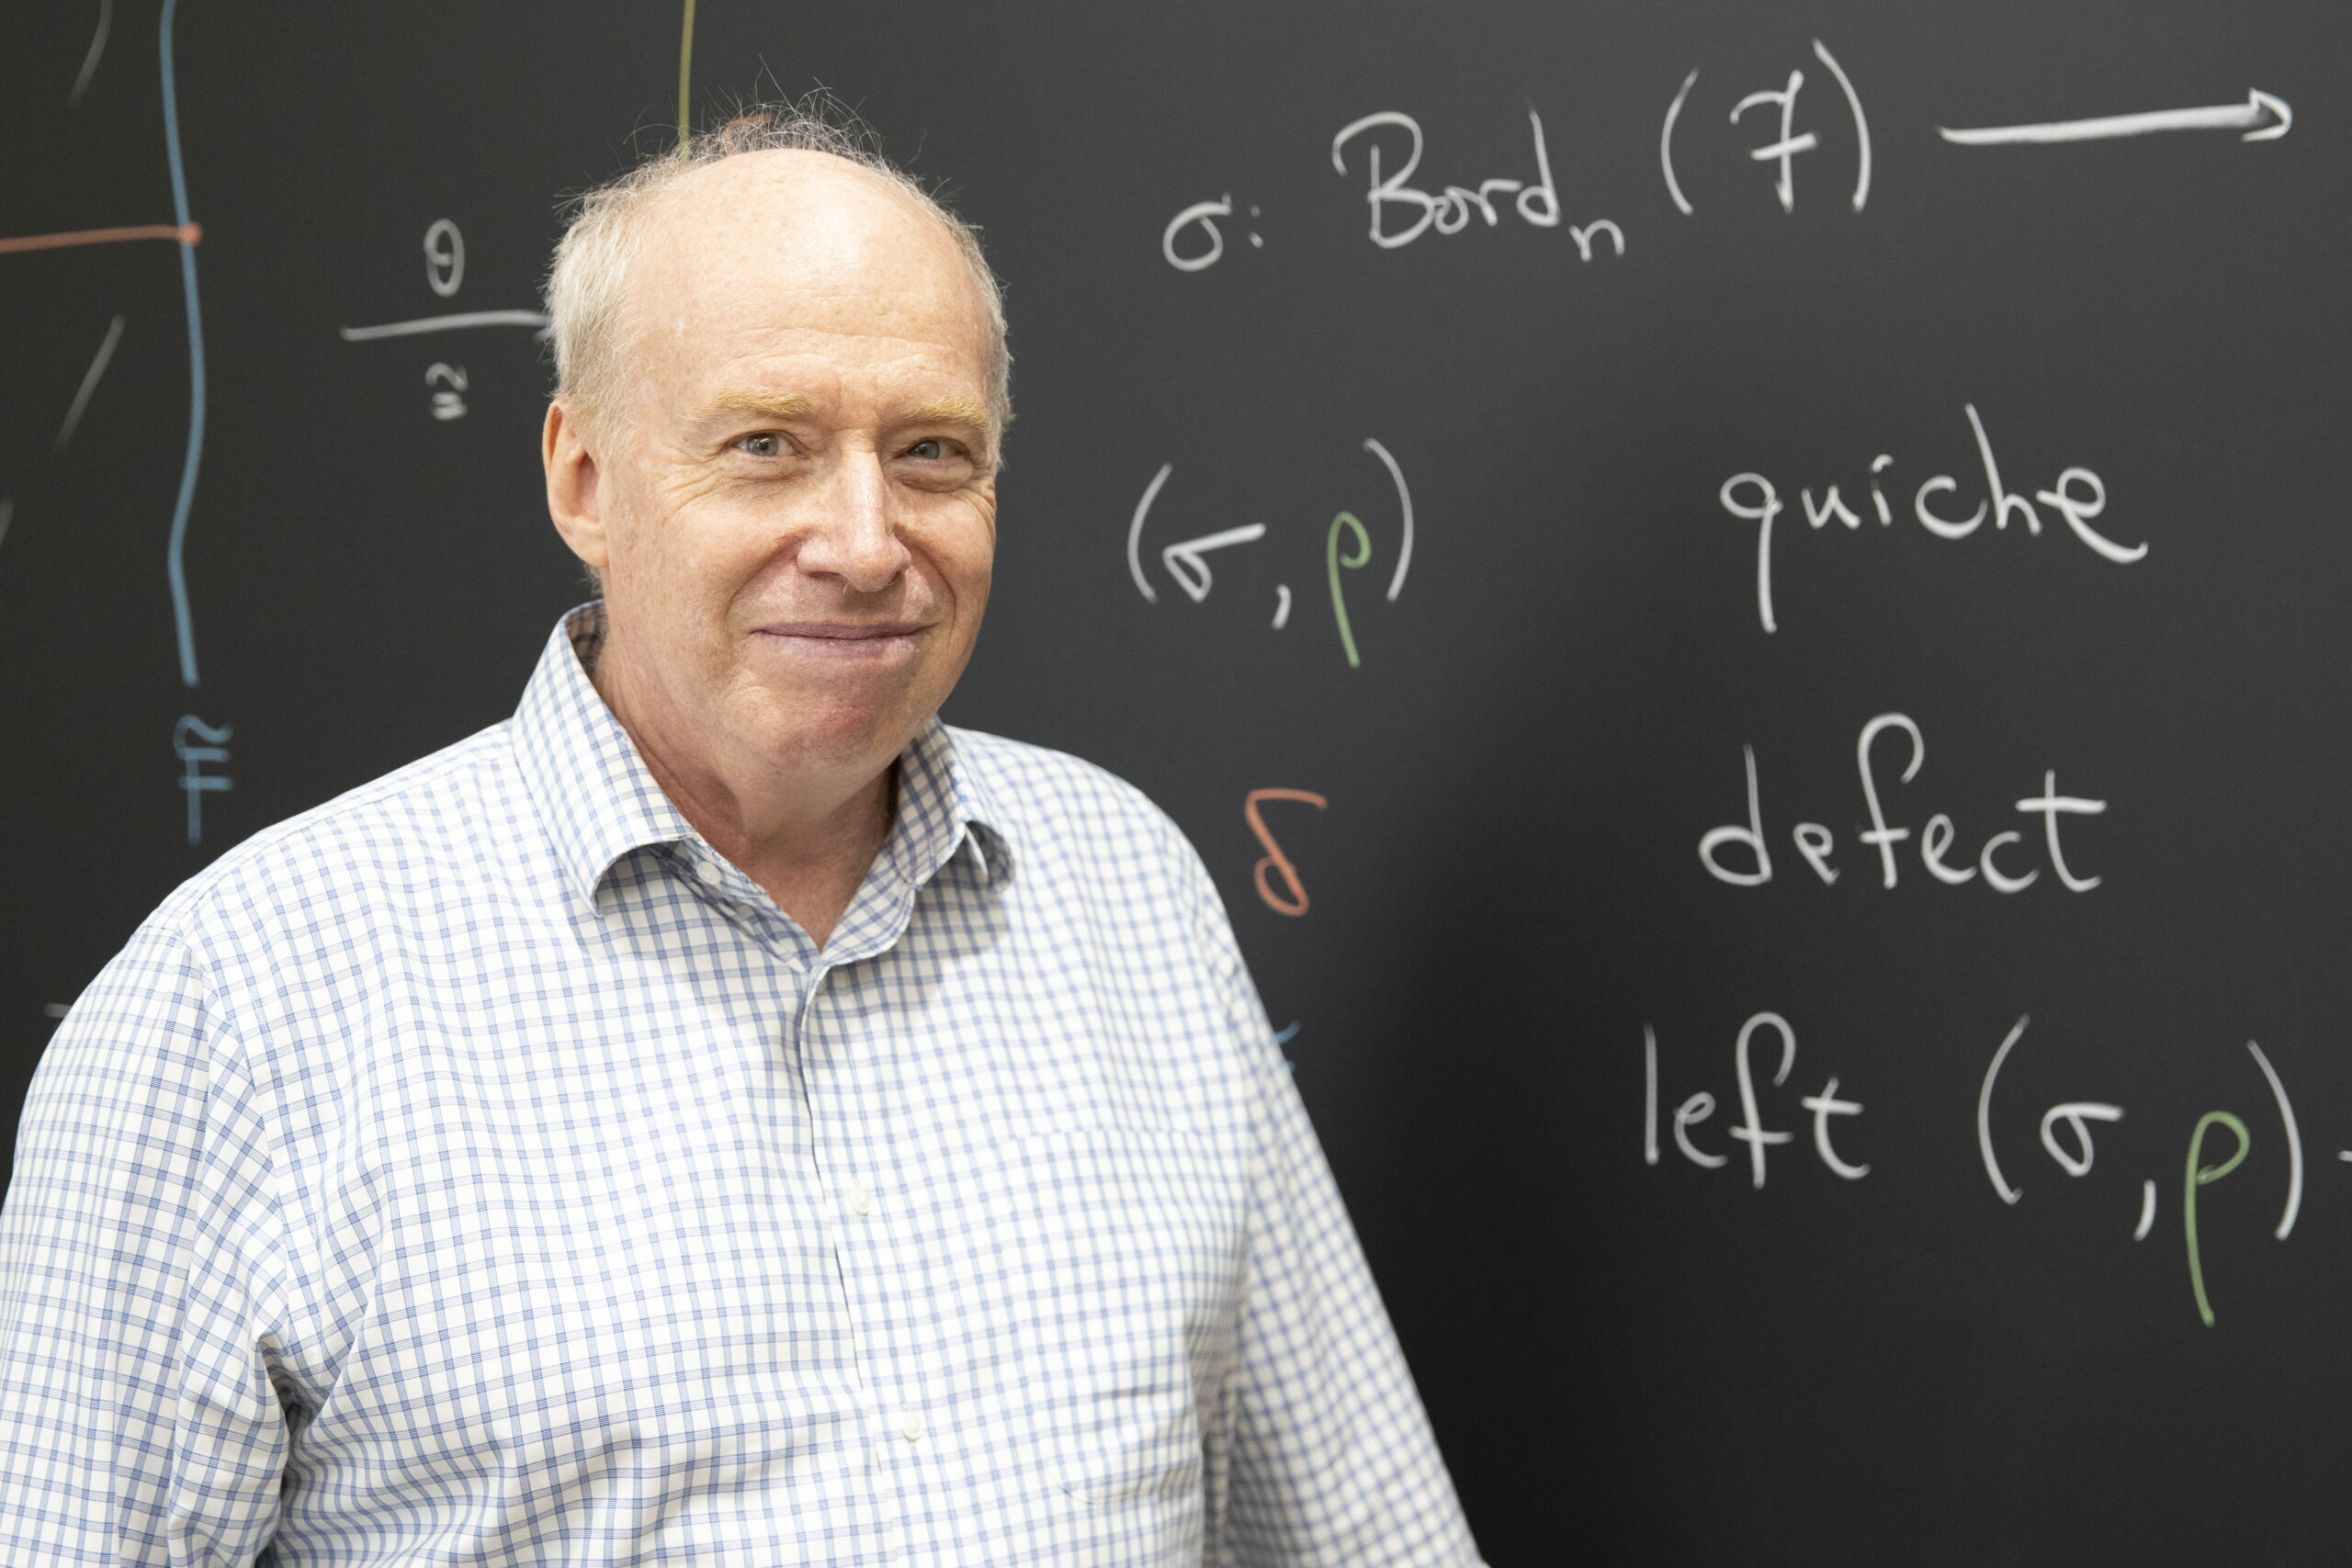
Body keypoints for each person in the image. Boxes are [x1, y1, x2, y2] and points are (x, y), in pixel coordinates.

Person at [0, 112, 1481, 1566]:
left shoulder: (1128, 891)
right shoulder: (239, 1008)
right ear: (582, 478)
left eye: (931, 453)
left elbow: (1363, 1532)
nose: (861, 541)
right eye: (767, 445)